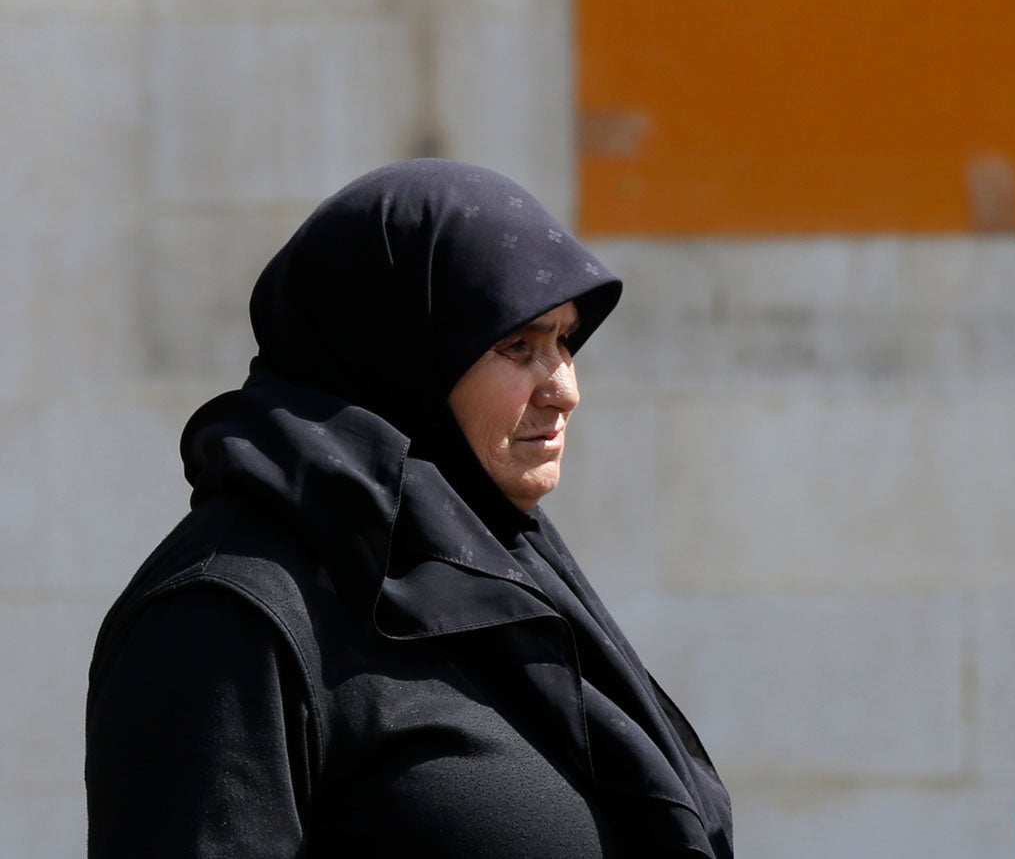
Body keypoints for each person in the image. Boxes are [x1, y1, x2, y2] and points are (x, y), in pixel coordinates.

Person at [86, 160, 733, 858]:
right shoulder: (227, 616)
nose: (563, 389)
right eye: (519, 346)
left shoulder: (501, 566)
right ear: (400, 352)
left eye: (565, 341)